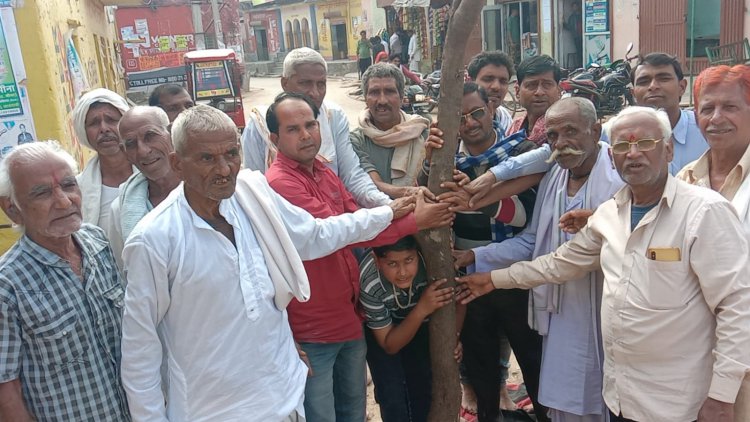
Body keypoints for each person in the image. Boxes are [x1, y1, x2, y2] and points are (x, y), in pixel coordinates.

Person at [120, 104, 418, 421]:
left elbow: (315, 235)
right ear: (177, 164)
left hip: (282, 396)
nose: (224, 169)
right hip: (212, 410)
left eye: (231, 154)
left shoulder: (252, 195)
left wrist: (387, 213)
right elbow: (141, 351)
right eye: (207, 158)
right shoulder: (152, 240)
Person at [460, 106, 750, 422]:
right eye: (623, 146)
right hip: (623, 396)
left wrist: (722, 396)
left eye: (646, 144)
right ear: (614, 153)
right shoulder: (611, 213)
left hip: (681, 401)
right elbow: (561, 263)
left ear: (668, 150)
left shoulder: (704, 212)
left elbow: (737, 307)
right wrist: (492, 279)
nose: (633, 154)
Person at [264, 92, 453, 421]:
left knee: (353, 410)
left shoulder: (322, 171)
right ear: (274, 138)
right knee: (322, 414)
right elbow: (340, 232)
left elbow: (356, 211)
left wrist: (405, 204)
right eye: (293, 129)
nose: (307, 135)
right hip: (313, 327)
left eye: (311, 124)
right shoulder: (281, 183)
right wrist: (413, 220)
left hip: (349, 317)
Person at [458, 97, 624, 422]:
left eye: (571, 132)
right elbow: (533, 242)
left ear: (596, 130)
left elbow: (564, 262)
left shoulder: (619, 180)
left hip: (606, 316)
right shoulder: (554, 178)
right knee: (565, 402)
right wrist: (475, 255)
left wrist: (493, 278)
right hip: (561, 317)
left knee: (609, 403)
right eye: (553, 136)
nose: (561, 143)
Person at [431, 84, 544, 422]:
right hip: (469, 284)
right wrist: (429, 163)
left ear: (492, 109)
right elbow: (430, 203)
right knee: (480, 369)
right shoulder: (445, 161)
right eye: (459, 117)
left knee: (534, 363)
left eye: (476, 112)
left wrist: (476, 201)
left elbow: (525, 216)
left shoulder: (520, 152)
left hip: (517, 280)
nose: (469, 122)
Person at [0, 142, 130, 421]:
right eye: (42, 193)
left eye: (69, 185)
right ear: (12, 209)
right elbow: (5, 392)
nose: (63, 200)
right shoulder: (7, 286)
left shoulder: (96, 241)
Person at [678, 64, 750, 422]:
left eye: (730, 107)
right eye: (707, 108)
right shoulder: (686, 178)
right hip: (692, 350)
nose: (717, 118)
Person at [242, 47, 390, 209]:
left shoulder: (333, 116)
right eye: (305, 83)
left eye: (321, 84)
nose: (314, 93)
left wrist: (388, 205)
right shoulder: (259, 124)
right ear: (285, 83)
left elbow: (352, 176)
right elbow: (255, 190)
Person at [359, 236, 462, 422]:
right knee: (391, 392)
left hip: (423, 324)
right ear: (377, 260)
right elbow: (389, 345)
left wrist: (454, 335)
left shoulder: (433, 264)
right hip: (384, 332)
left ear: (418, 253)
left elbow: (459, 298)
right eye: (392, 264)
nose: (403, 272)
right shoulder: (370, 282)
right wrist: (422, 308)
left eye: (409, 260)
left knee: (422, 385)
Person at [105, 106, 181, 267]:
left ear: (171, 134)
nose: (143, 151)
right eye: (131, 144)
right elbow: (125, 272)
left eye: (150, 136)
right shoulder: (120, 209)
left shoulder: (202, 191)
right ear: (124, 152)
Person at [352, 63, 431, 199]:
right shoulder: (357, 140)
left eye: (389, 91)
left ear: (402, 97)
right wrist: (410, 193)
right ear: (365, 99)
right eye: (375, 92)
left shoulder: (423, 132)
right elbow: (371, 185)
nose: (382, 100)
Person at [626, 53, 709, 174]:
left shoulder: (705, 130)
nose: (653, 86)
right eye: (644, 81)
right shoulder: (618, 137)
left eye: (663, 78)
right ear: (633, 94)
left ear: (682, 87)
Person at [72, 88, 135, 229]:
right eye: (94, 123)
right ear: (84, 132)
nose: (104, 128)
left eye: (111, 120)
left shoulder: (151, 174)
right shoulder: (77, 189)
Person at [467, 50, 516, 133]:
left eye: (503, 81)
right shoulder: (454, 121)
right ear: (470, 81)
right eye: (488, 79)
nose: (496, 87)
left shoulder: (505, 119)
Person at [563, 1, 583, 69]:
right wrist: (563, 24)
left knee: (583, 50)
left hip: (584, 36)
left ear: (578, 6)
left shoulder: (582, 15)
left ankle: (583, 63)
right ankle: (580, 65)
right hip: (576, 36)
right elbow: (569, 27)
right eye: (573, 6)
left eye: (575, 6)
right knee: (579, 51)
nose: (574, 8)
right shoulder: (572, 17)